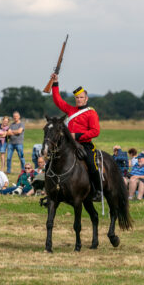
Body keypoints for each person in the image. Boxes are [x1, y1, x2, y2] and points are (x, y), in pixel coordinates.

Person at [51, 73, 101, 201]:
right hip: (68, 144)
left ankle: (97, 191)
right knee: (52, 161)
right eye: (77, 98)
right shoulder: (71, 110)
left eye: (81, 97)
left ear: (86, 98)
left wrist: (77, 135)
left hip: (84, 144)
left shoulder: (91, 113)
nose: (79, 99)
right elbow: (58, 100)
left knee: (91, 164)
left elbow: (95, 131)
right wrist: (55, 83)